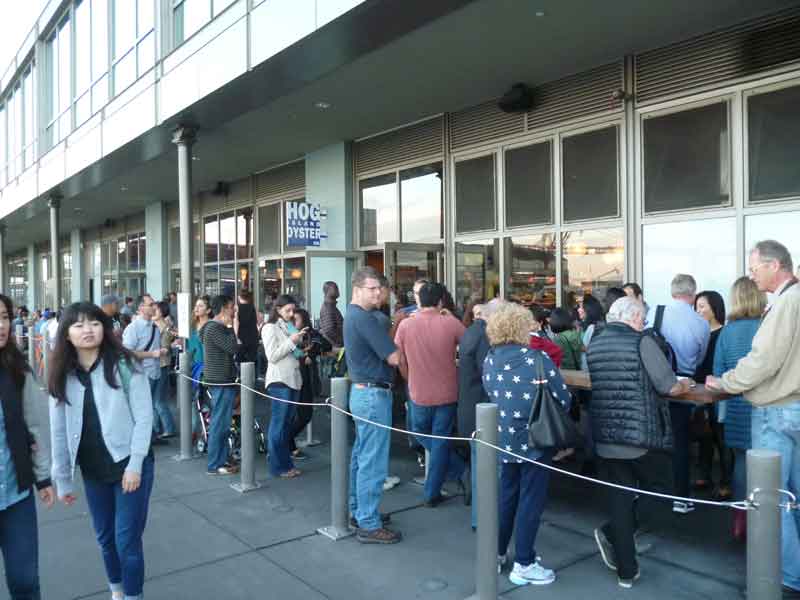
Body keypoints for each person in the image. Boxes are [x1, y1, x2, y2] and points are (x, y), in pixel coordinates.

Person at [707, 240, 800, 597]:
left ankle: (787, 574)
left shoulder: (787, 302)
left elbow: (763, 360)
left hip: (775, 411)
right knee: (788, 496)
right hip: (792, 409)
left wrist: (725, 382)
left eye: (755, 267)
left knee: (771, 499)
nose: (751, 274)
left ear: (774, 265)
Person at [49, 301, 155, 600]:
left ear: (104, 328)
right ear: (66, 334)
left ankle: (133, 596)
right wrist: (63, 479)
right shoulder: (62, 375)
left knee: (126, 541)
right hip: (94, 471)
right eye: (79, 325)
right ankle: (117, 591)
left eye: (94, 323)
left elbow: (144, 417)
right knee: (105, 539)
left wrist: (135, 464)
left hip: (130, 466)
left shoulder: (124, 363)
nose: (88, 330)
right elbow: (58, 431)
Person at [587, 297, 693, 588]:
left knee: (621, 498)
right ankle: (612, 534)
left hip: (607, 435)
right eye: (643, 319)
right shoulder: (641, 342)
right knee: (663, 491)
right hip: (641, 437)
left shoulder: (595, 342)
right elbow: (668, 385)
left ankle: (626, 570)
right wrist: (686, 384)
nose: (644, 324)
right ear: (632, 317)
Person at [483, 302, 571, 586]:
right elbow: (563, 398)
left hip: (502, 438)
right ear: (522, 327)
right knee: (530, 500)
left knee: (506, 496)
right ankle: (524, 562)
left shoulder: (490, 358)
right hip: (534, 441)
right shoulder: (536, 359)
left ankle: (495, 553)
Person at [0, 294, 54, 600]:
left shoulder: (17, 369)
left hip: (15, 493)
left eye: (5, 317)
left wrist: (42, 477)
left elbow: (33, 426)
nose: (2, 325)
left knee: (24, 581)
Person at [345, 266, 403, 544]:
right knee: (372, 460)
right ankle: (368, 521)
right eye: (372, 288)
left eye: (379, 288)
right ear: (357, 289)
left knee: (362, 456)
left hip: (363, 392)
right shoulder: (365, 318)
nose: (378, 292)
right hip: (372, 395)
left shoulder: (355, 315)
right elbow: (393, 358)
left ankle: (359, 511)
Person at [395, 282, 466, 507]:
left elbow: (400, 360)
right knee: (441, 439)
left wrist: (409, 377)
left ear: (419, 300)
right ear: (440, 301)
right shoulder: (451, 323)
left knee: (420, 433)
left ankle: (436, 488)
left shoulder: (406, 325)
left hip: (418, 390)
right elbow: (468, 344)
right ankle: (456, 474)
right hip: (447, 390)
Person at [646, 274, 710, 514]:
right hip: (684, 385)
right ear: (693, 294)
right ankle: (681, 498)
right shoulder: (700, 322)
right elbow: (701, 356)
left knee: (652, 439)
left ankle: (650, 494)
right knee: (680, 442)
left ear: (672, 292)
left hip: (654, 383)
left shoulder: (655, 314)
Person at [712, 277, 765, 541]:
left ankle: (739, 520)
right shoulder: (766, 327)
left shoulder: (727, 332)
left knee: (741, 464)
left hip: (734, 406)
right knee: (770, 466)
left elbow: (718, 373)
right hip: (763, 405)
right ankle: (765, 521)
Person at [457, 300, 498, 528]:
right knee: (484, 466)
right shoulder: (483, 336)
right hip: (481, 409)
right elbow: (488, 373)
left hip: (471, 408)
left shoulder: (471, 331)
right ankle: (482, 521)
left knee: (478, 463)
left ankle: (480, 517)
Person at [692, 290, 733, 500]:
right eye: (696, 306)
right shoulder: (698, 333)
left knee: (720, 437)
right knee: (703, 435)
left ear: (715, 308)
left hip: (718, 391)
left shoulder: (724, 333)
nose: (698, 310)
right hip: (699, 390)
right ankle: (703, 474)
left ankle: (726, 481)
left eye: (702, 306)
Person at [261, 295, 305, 478]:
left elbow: (293, 351)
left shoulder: (287, 326)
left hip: (293, 379)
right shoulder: (269, 328)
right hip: (279, 380)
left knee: (286, 425)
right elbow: (272, 355)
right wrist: (292, 341)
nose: (291, 313)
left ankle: (285, 464)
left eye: (293, 310)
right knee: (279, 426)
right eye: (287, 310)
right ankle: (278, 467)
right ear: (277, 309)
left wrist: (298, 339)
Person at [200, 295, 241, 476]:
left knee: (223, 423)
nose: (234, 311)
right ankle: (215, 464)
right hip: (221, 381)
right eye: (232, 307)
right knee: (220, 424)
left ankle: (221, 459)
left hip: (223, 380)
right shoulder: (215, 328)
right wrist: (232, 326)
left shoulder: (214, 328)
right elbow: (233, 347)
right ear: (224, 308)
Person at [122, 294, 169, 447]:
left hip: (154, 372)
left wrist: (161, 351)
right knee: (142, 408)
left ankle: (151, 435)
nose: (154, 307)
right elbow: (127, 352)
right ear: (140, 308)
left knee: (150, 406)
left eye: (154, 304)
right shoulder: (133, 328)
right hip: (140, 374)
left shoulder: (154, 327)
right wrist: (152, 354)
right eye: (150, 304)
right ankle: (141, 440)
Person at [152, 301, 177, 440]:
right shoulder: (153, 326)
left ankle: (168, 428)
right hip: (155, 365)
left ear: (161, 312)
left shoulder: (165, 329)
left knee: (158, 400)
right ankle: (157, 428)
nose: (152, 312)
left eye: (155, 310)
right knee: (155, 400)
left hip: (161, 365)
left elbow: (166, 349)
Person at [236, 289, 259, 365]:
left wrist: (235, 337)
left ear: (239, 297)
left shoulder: (237, 308)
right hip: (253, 335)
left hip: (241, 336)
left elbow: (237, 323)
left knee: (240, 361)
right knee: (252, 361)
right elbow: (258, 321)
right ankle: (252, 376)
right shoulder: (253, 307)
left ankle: (240, 376)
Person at [319, 281, 344, 349]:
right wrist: (341, 341)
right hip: (336, 347)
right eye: (335, 288)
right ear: (328, 291)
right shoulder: (327, 308)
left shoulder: (331, 306)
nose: (338, 290)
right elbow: (329, 330)